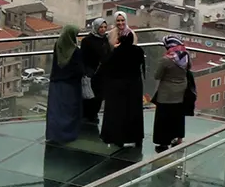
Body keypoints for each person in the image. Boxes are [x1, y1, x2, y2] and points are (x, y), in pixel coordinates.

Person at [97, 11, 147, 152]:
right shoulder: (137, 51)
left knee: (117, 113)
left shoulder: (117, 53)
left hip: (118, 86)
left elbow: (107, 65)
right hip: (134, 86)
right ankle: (135, 137)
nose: (120, 23)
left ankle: (116, 137)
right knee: (133, 112)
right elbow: (141, 67)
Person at [151, 35, 197, 151]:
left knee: (163, 118)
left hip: (166, 93)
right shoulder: (185, 56)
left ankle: (163, 142)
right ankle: (178, 138)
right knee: (178, 116)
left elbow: (157, 75)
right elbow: (189, 68)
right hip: (181, 90)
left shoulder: (166, 59)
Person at [44, 25, 86, 145]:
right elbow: (79, 70)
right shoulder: (76, 51)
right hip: (71, 86)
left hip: (56, 84)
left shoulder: (58, 45)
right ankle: (68, 135)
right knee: (70, 112)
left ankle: (54, 135)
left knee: (56, 112)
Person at [78, 16, 112, 132]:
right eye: (100, 27)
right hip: (91, 72)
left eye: (104, 27)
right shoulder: (87, 40)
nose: (102, 29)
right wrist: (85, 72)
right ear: (95, 27)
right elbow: (83, 57)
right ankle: (87, 116)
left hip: (103, 73)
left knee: (99, 96)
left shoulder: (105, 39)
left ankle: (94, 114)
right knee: (89, 96)